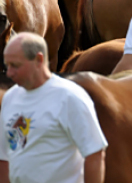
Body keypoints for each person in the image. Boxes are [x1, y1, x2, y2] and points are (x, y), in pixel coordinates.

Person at [0, 32, 108, 183]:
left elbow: (95, 153)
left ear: (39, 59)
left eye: (15, 66)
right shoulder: (10, 98)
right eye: (7, 65)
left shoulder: (70, 97)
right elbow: (4, 157)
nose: (9, 73)